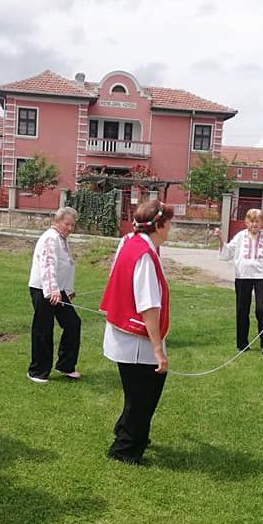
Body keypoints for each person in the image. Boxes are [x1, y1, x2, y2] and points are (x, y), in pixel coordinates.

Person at [100, 199, 173, 466]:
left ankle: (126, 430)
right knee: (144, 395)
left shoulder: (130, 240)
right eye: (169, 224)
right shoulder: (144, 254)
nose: (170, 229)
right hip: (137, 340)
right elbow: (148, 306)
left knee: (135, 393)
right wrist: (158, 350)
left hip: (123, 333)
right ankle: (125, 449)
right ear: (159, 225)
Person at [215, 208, 263, 355]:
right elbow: (228, 251)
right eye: (252, 221)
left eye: (258, 221)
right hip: (243, 276)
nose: (255, 224)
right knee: (242, 309)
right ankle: (242, 343)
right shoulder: (240, 236)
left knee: (262, 309)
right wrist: (220, 239)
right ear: (247, 222)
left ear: (262, 222)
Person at [27, 207, 82, 383]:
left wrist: (68, 290)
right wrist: (52, 290)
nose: (70, 228)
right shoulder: (50, 238)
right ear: (57, 221)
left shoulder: (61, 239)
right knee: (43, 328)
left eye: (73, 225)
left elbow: (66, 265)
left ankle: (65, 365)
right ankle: (37, 371)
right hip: (43, 289)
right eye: (67, 224)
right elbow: (48, 265)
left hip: (58, 289)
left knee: (73, 323)